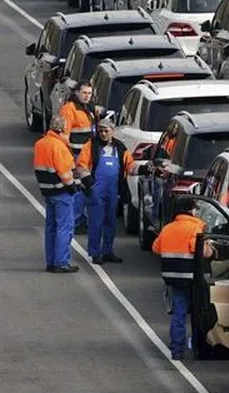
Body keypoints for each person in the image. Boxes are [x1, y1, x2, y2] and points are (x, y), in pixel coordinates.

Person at [78, 117, 151, 264]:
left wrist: (144, 169)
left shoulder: (120, 147)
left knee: (111, 223)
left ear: (113, 131)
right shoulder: (91, 146)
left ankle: (108, 251)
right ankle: (95, 253)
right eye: (100, 131)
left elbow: (130, 166)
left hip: (113, 191)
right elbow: (81, 165)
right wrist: (89, 183)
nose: (103, 134)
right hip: (95, 191)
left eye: (106, 131)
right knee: (96, 223)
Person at [152, 197, 211, 360]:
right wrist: (211, 248)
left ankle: (177, 348)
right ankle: (199, 345)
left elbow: (156, 247)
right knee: (198, 310)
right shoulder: (195, 229)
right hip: (191, 277)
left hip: (172, 277)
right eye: (194, 209)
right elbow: (201, 251)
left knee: (179, 312)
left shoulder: (168, 228)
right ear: (190, 210)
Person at [33, 114, 80, 273]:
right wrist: (73, 186)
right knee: (65, 227)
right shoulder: (59, 146)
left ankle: (51, 261)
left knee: (51, 227)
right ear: (62, 129)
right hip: (62, 192)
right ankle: (61, 262)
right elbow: (65, 173)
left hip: (48, 191)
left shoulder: (40, 144)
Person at [60, 82, 99, 230]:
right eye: (84, 93)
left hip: (88, 155)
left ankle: (79, 219)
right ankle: (75, 220)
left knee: (86, 187)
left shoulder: (89, 108)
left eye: (89, 93)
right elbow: (64, 135)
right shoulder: (69, 109)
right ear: (76, 92)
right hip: (77, 155)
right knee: (79, 187)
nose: (87, 96)